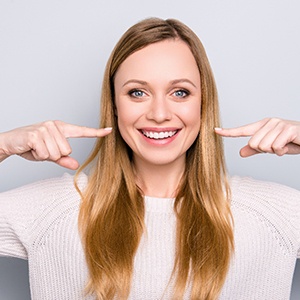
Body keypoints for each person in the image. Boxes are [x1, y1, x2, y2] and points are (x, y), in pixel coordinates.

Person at [0, 17, 300, 300]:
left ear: (203, 103)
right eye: (137, 93)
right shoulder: (51, 210)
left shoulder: (274, 214)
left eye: (180, 92)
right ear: (115, 105)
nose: (159, 114)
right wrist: (3, 146)